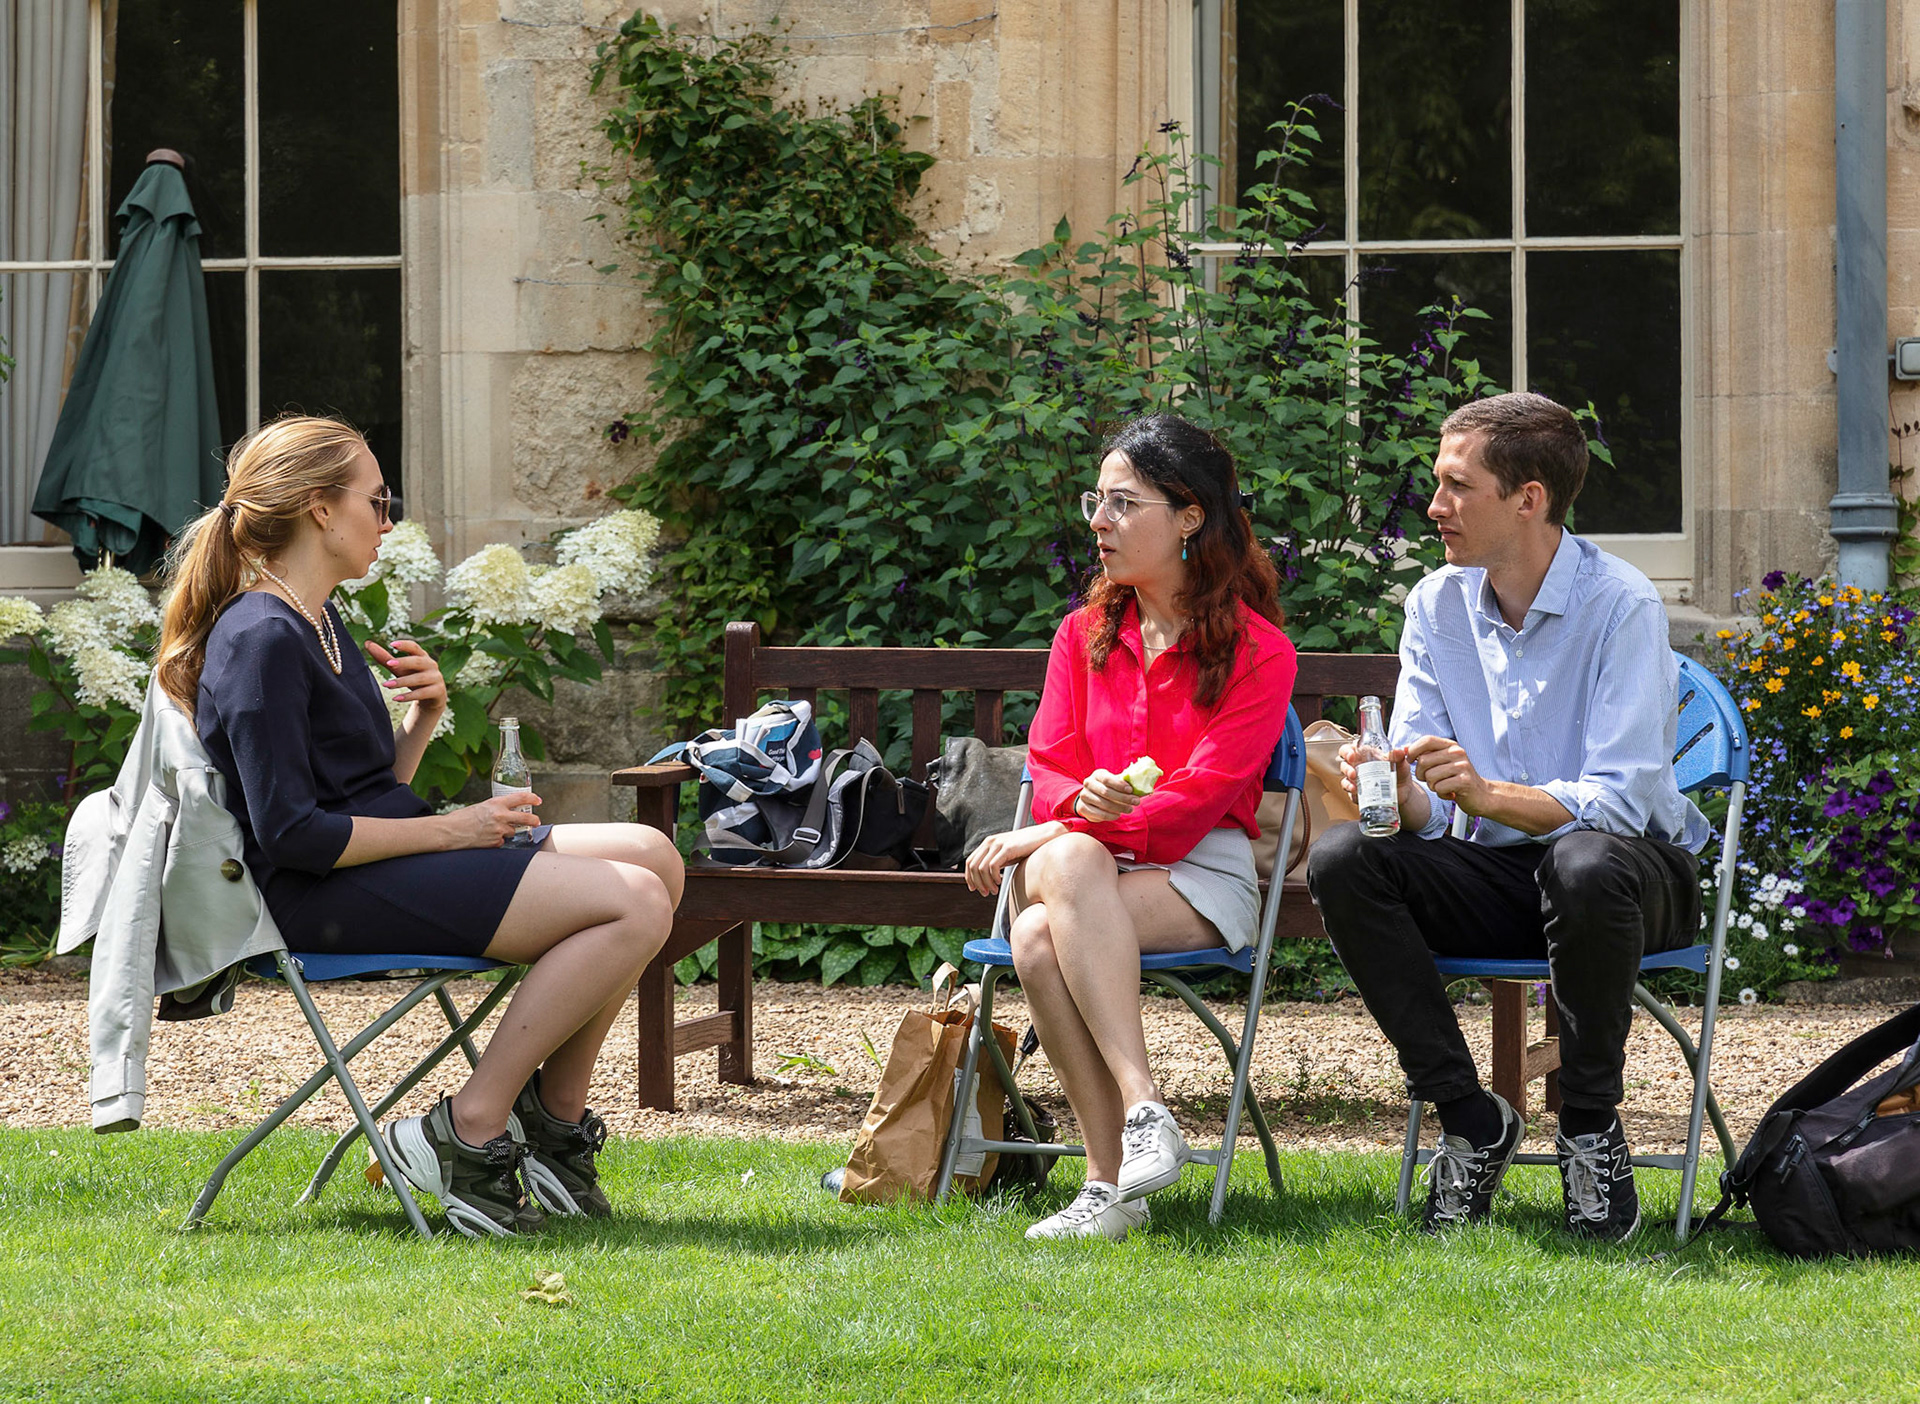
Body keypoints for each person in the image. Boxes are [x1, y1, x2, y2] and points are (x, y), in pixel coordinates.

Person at [154, 415, 684, 1239]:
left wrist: (425, 717)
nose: (388, 519)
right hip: (313, 898)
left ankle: (550, 1122)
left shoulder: (318, 619)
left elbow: (363, 793)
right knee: (635, 902)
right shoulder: (259, 638)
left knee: (657, 856)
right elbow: (296, 835)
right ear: (320, 509)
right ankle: (466, 1128)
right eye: (378, 500)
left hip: (369, 868)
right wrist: (457, 830)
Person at [1306, 392, 1710, 1241]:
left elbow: (1626, 802)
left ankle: (1590, 1127)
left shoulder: (1622, 605)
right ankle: (1470, 1118)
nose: (1434, 505)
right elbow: (1424, 806)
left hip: (1633, 878)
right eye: (1437, 484)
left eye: (1457, 486)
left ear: (1529, 498)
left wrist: (1487, 795)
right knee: (1346, 856)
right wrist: (1398, 789)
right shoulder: (1434, 606)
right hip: (1497, 874)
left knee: (1582, 862)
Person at [964, 413, 1297, 1241]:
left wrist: (1053, 833)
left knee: (1039, 935)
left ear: (1189, 517)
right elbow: (1050, 768)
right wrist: (1070, 825)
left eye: (1123, 503)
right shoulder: (1082, 635)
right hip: (1083, 860)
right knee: (1072, 865)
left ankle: (1110, 1186)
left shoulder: (1261, 651)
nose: (1099, 524)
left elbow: (1198, 800)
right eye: (1096, 502)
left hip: (1196, 875)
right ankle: (1146, 1110)